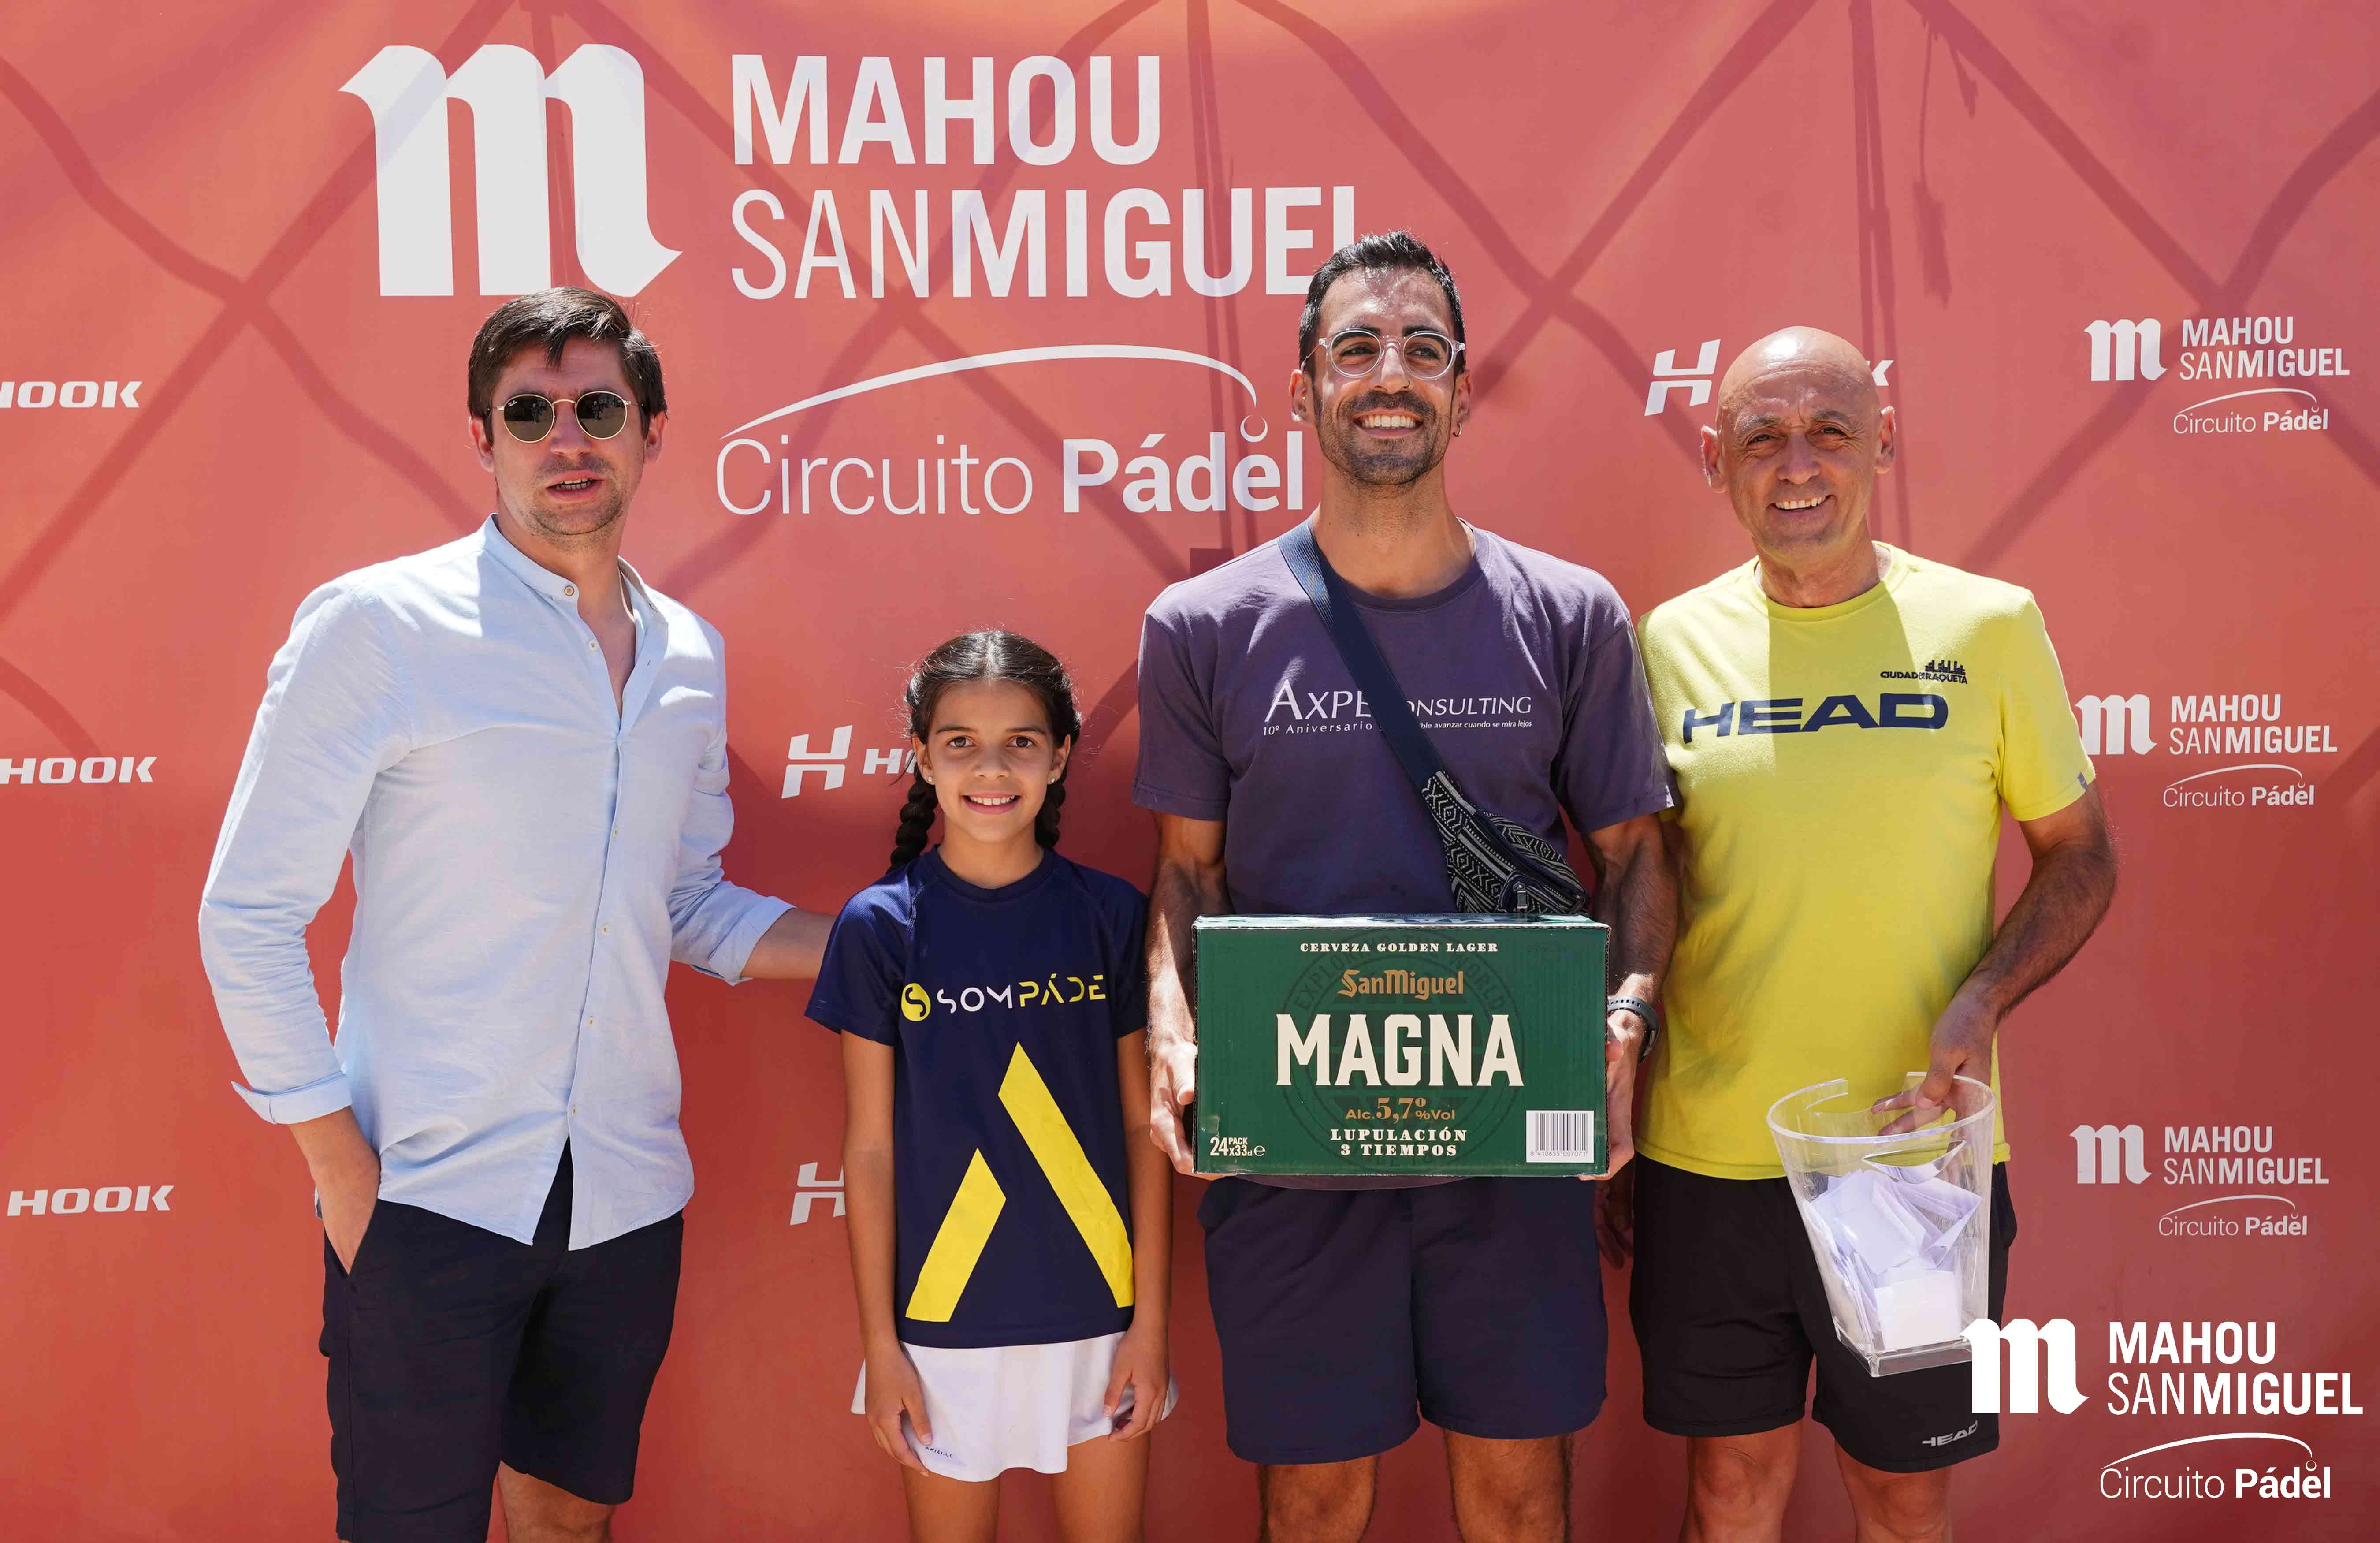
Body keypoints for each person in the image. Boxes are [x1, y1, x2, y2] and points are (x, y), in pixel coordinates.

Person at [197, 287, 830, 1543]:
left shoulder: (689, 656)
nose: (566, 438)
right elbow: (247, 913)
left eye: (598, 407)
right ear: (483, 438)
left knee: (568, 1525)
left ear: (651, 430)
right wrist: (343, 1176)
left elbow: (685, 902)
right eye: (529, 413)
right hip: (426, 1193)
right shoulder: (380, 624)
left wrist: (900, 945)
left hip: (624, 1193)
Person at [1134, 231, 1677, 1543]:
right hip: (1294, 1140)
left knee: (1517, 1487)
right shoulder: (1202, 626)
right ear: (1303, 388)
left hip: (1516, 1127)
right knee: (1316, 1497)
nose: (1393, 374)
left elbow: (1637, 858)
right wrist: (1172, 1028)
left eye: (1425, 350)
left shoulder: (1572, 613)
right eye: (1359, 348)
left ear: (1464, 392)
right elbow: (1186, 873)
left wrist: (1625, 1025)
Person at [1608, 327, 2119, 1543]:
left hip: (1915, 1156)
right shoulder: (1665, 642)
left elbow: (2082, 854)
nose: (1798, 466)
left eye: (1830, 432)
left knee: (1901, 1495)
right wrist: (1625, 1061)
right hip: (1707, 1160)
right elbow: (1644, 873)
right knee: (1730, 1492)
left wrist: (1981, 1001)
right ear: (1714, 459)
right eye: (1762, 438)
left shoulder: (1990, 626)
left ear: (1884, 443)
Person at [808, 631, 1175, 1543]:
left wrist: (1150, 1328)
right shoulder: (879, 925)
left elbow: (1144, 1129)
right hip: (941, 1324)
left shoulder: (1109, 913)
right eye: (961, 742)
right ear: (922, 755)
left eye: (1021, 741)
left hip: (1099, 1318)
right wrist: (882, 1348)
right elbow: (870, 1149)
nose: (991, 768)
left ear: (1060, 755)